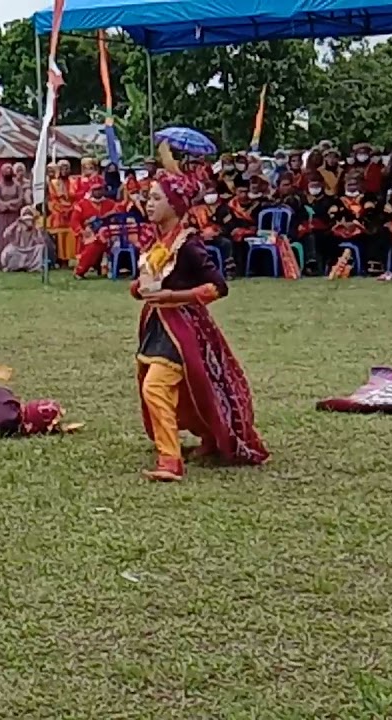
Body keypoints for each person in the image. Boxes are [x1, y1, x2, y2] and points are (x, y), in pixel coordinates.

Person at [131, 144, 268, 482]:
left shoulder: (189, 245)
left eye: (156, 198)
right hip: (158, 324)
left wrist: (174, 296)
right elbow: (146, 283)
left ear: (175, 205)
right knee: (185, 388)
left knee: (156, 387)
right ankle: (209, 437)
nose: (149, 203)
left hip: (184, 328)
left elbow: (218, 287)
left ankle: (170, 460)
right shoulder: (158, 242)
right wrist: (140, 288)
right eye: (148, 198)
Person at [329, 172, 381, 275]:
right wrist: (344, 224)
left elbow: (370, 214)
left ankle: (365, 267)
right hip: (341, 231)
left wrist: (355, 224)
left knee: (374, 237)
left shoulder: (368, 198)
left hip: (362, 230)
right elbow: (333, 216)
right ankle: (334, 266)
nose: (352, 187)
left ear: (361, 184)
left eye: (355, 184)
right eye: (349, 184)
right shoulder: (337, 200)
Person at [69, 177, 120, 279]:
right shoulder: (81, 204)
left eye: (100, 189)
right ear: (91, 190)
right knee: (94, 244)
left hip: (110, 234)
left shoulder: (111, 203)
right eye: (95, 189)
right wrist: (82, 231)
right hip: (89, 234)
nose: (98, 191)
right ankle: (80, 271)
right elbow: (74, 221)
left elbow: (119, 216)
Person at [183, 187, 236, 278]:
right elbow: (191, 225)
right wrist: (199, 233)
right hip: (199, 236)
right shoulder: (196, 210)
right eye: (208, 194)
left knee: (226, 243)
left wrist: (217, 232)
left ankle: (228, 271)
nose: (210, 196)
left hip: (216, 236)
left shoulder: (224, 209)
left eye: (212, 193)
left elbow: (229, 226)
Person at [0, 163, 25, 265]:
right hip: (2, 215)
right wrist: (5, 206)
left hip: (14, 214)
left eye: (10, 170)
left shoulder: (17, 185)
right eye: (6, 170)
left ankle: (14, 261)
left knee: (14, 236)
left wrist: (11, 205)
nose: (8, 172)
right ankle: (1, 262)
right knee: (2, 236)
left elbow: (20, 198)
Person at [0, 206, 47, 272]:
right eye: (26, 220)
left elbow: (42, 241)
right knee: (9, 250)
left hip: (30, 248)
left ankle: (34, 267)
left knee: (40, 247)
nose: (28, 222)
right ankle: (11, 267)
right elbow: (5, 234)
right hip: (18, 248)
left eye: (29, 220)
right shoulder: (17, 227)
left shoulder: (35, 228)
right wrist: (15, 224)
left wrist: (37, 230)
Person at [46, 162, 76, 266]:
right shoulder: (53, 183)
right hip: (58, 211)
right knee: (60, 236)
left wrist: (71, 208)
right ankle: (61, 259)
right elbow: (54, 199)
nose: (65, 170)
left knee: (71, 235)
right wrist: (62, 210)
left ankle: (70, 258)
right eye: (62, 168)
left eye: (67, 168)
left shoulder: (73, 182)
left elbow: (76, 197)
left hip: (72, 211)